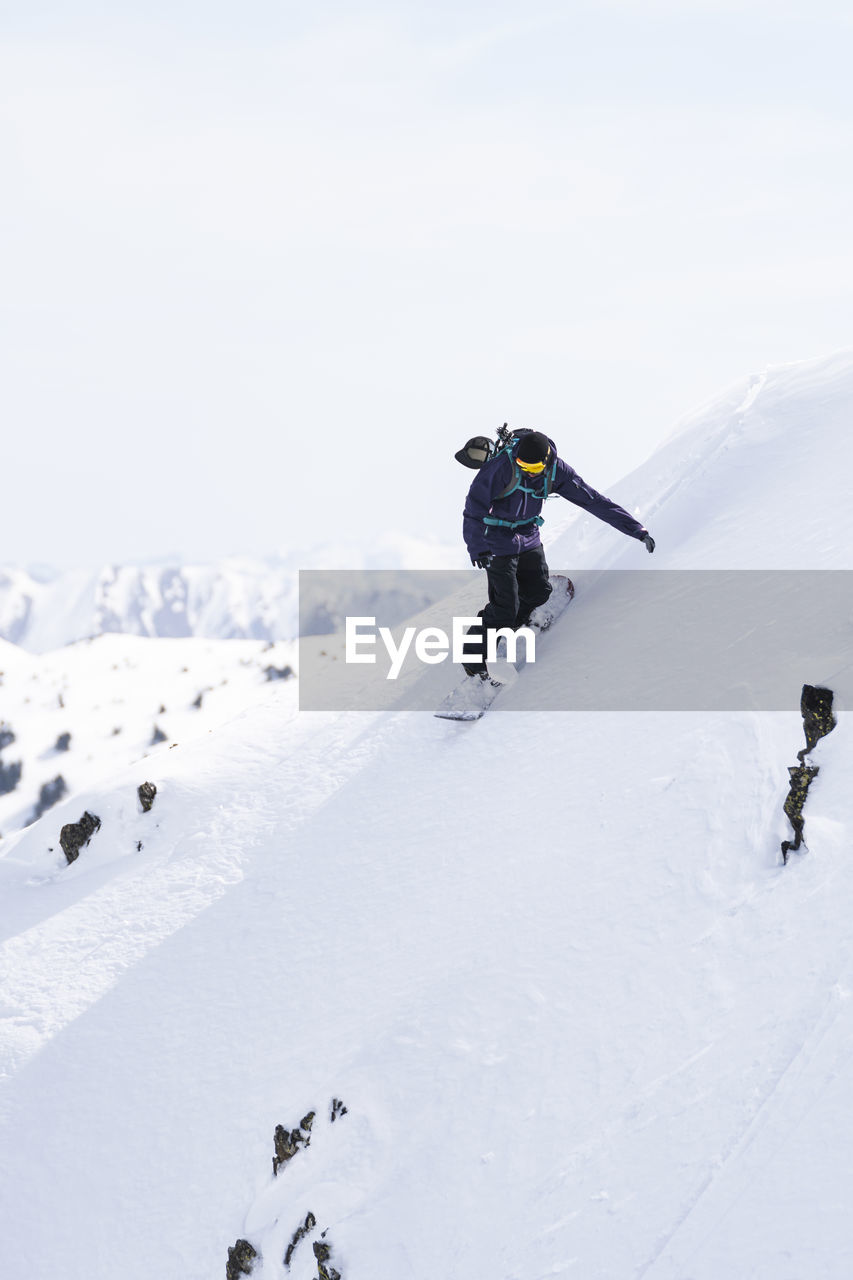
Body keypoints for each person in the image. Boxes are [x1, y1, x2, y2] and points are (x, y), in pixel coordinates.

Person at [461, 428, 654, 676]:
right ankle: (475, 665)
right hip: (497, 541)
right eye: (522, 465)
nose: (526, 471)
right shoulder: (502, 467)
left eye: (532, 468)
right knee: (504, 607)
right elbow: (473, 509)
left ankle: (510, 629)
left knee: (539, 593)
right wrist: (477, 547)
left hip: (528, 535)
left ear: (546, 460)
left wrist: (636, 529)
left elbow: (593, 500)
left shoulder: (556, 472)